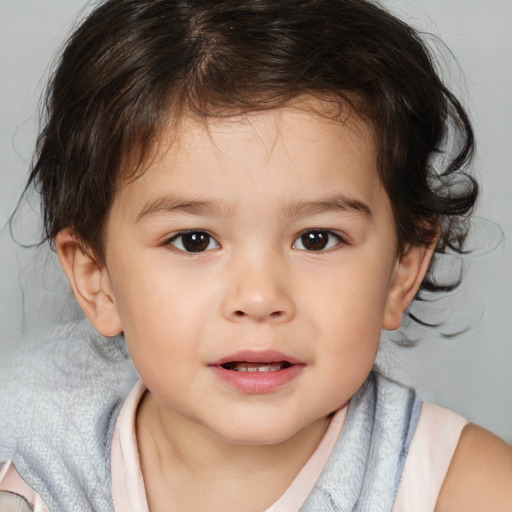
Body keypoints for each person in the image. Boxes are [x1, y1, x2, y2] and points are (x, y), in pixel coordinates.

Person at [0, 0, 511, 510]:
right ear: (97, 279)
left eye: (317, 238)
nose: (260, 297)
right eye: (194, 240)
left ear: (401, 271)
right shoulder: (27, 464)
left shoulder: (468, 490)